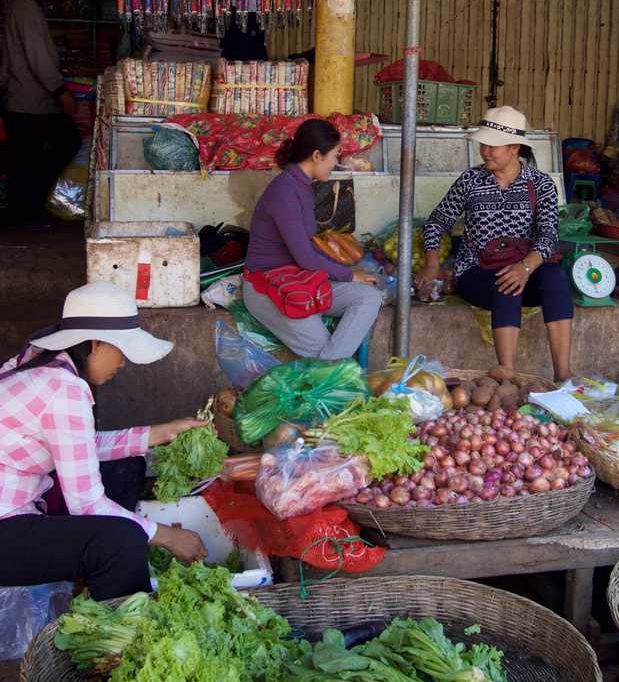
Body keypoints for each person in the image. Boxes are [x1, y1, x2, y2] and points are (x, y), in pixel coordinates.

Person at [0, 281, 209, 601]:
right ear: (95, 344)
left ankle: (95, 579)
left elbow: (75, 446)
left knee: (126, 467)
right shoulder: (64, 388)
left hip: (23, 501)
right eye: (121, 351)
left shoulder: (40, 361)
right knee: (121, 542)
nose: (123, 363)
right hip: (7, 524)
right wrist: (165, 535)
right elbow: (87, 504)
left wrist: (156, 434)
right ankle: (122, 639)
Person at [416, 106, 574, 382]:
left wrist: (525, 268)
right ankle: (507, 371)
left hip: (525, 269)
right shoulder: (471, 181)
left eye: (493, 146)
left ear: (514, 147)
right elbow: (436, 222)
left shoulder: (541, 184)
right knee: (507, 282)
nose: (485, 151)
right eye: (483, 145)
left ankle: (564, 376)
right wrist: (432, 264)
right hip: (476, 272)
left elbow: (549, 234)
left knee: (555, 277)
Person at [243, 118, 382, 359]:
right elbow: (305, 256)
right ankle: (334, 371)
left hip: (300, 280)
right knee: (324, 353)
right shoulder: (283, 191)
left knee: (369, 297)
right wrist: (349, 275)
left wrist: (346, 272)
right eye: (335, 156)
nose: (335, 163)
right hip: (268, 287)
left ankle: (333, 364)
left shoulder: (303, 186)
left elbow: (307, 249)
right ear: (317, 155)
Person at [0, 0, 81, 226]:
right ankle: (27, 211)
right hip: (29, 103)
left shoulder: (21, 7)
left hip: (24, 100)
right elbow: (39, 58)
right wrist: (60, 90)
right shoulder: (26, 9)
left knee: (25, 160)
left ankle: (25, 211)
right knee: (61, 143)